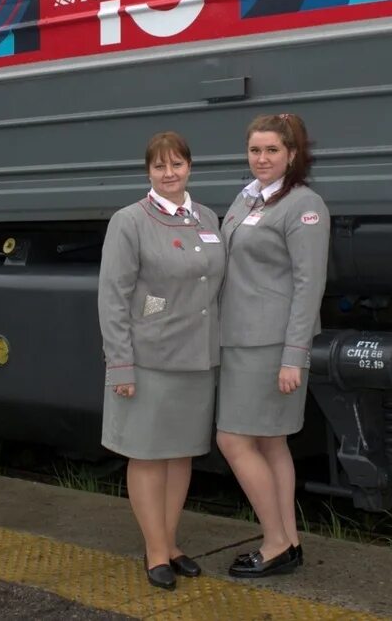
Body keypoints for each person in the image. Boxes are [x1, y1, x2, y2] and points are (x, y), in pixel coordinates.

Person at [98, 131, 226, 591]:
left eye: (177, 165)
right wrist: (121, 365)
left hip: (196, 357)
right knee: (149, 455)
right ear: (148, 172)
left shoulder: (207, 217)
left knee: (181, 453)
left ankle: (171, 542)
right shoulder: (129, 221)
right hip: (150, 357)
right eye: (159, 167)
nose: (169, 174)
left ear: (190, 167)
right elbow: (112, 298)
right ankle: (155, 550)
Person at [216, 113, 330, 578]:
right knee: (271, 442)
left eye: (272, 151)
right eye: (255, 150)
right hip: (240, 337)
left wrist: (294, 356)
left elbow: (309, 284)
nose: (262, 159)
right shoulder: (248, 199)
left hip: (268, 344)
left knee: (232, 439)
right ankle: (290, 540)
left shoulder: (305, 205)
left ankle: (274, 541)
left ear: (292, 155)